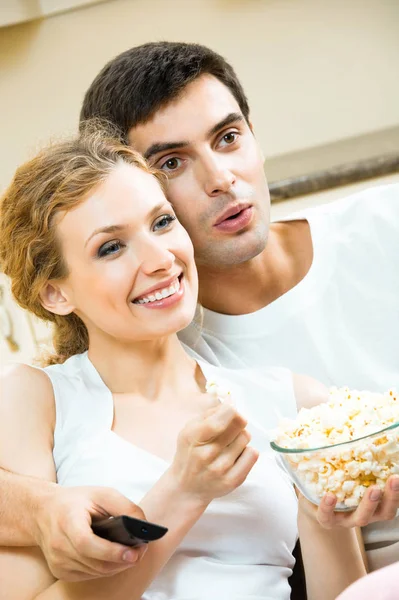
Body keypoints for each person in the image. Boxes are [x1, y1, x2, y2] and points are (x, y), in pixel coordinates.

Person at [0, 41, 398, 580]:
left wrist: (319, 504)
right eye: (110, 246)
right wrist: (178, 490)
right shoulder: (45, 395)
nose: (221, 179)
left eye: (229, 137)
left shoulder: (290, 395)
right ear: (55, 292)